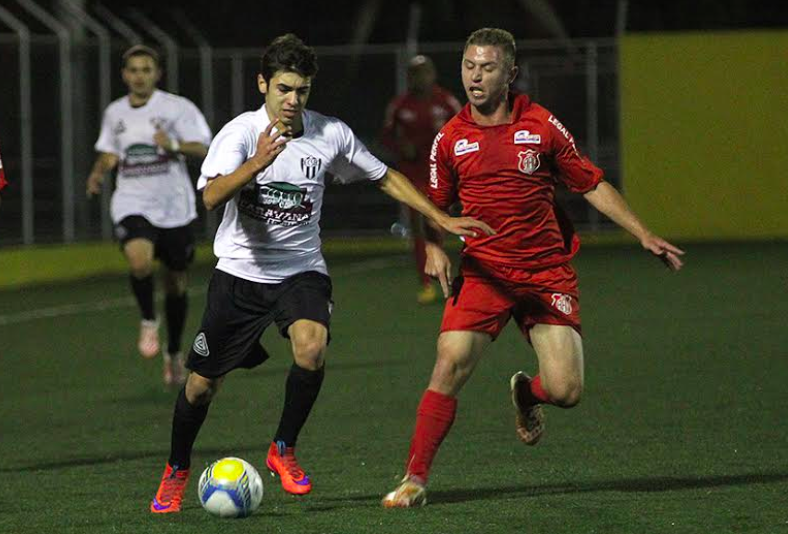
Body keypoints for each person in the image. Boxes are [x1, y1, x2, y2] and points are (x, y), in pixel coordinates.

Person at [148, 33, 493, 514]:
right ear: (262, 84)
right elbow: (210, 197)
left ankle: (283, 448)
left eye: (302, 91)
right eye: (284, 89)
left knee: (311, 348)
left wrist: (439, 217)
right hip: (241, 276)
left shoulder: (330, 133)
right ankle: (177, 469)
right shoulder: (240, 134)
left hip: (301, 271)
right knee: (201, 386)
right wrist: (257, 163)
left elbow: (384, 175)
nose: (293, 101)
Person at [382, 27, 685, 508]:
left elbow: (590, 183)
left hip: (546, 271)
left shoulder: (541, 125)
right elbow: (434, 206)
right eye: (469, 66)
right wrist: (434, 245)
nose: (475, 77)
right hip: (484, 271)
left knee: (566, 391)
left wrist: (641, 232)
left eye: (487, 68)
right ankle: (414, 479)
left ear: (511, 74)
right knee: (449, 363)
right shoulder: (451, 138)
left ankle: (527, 395)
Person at [86, 45, 212, 386]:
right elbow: (109, 152)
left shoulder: (177, 108)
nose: (139, 76)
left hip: (173, 206)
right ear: (124, 75)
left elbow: (203, 146)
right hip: (132, 200)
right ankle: (147, 320)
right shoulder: (115, 113)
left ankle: (173, 353)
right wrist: (99, 171)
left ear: (157, 74)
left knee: (175, 284)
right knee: (139, 262)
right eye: (133, 70)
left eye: (146, 69)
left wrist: (172, 145)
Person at [381, 55, 462, 304]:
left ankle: (450, 274)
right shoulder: (400, 105)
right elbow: (385, 137)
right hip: (412, 177)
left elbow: (466, 133)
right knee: (420, 228)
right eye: (416, 73)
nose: (421, 78)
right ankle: (426, 283)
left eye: (425, 72)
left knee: (438, 227)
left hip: (442, 176)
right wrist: (400, 147)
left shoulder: (446, 102)